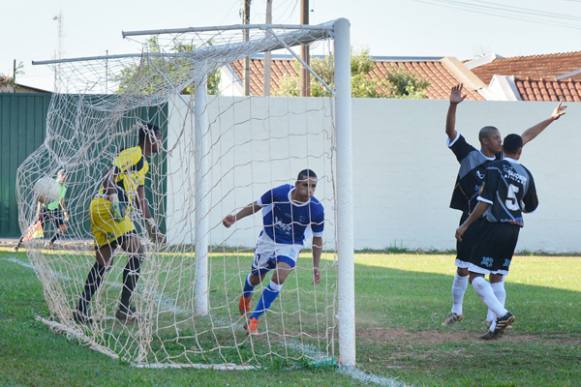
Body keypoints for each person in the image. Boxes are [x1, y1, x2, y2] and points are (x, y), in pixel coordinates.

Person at [442, 84, 565, 328]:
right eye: (496, 137)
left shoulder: (503, 160)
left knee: (492, 274)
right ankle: (457, 310)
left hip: (493, 223)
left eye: (501, 138)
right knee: (463, 268)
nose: (501, 140)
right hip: (471, 218)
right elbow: (450, 130)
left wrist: (550, 119)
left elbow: (525, 137)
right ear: (485, 141)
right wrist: (453, 105)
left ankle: (494, 320)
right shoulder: (468, 154)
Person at [73, 123, 166, 325]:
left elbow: (141, 200)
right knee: (138, 253)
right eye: (159, 137)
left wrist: (152, 227)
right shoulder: (133, 153)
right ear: (150, 138)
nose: (161, 142)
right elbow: (108, 175)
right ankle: (123, 309)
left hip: (100, 208)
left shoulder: (144, 164)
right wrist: (115, 202)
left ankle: (80, 310)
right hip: (109, 208)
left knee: (104, 262)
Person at [456, 134, 538, 339]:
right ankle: (495, 328)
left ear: (503, 149)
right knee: (498, 275)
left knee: (475, 274)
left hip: (495, 227)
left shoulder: (495, 168)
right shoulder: (526, 173)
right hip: (514, 229)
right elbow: (531, 205)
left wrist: (466, 225)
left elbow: (484, 202)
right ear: (520, 150)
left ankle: (502, 314)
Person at [222, 169, 324, 335]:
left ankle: (254, 320)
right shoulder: (280, 193)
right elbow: (256, 205)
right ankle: (245, 297)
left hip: (291, 245)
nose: (310, 190)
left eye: (313, 186)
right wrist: (235, 217)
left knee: (279, 276)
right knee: (256, 278)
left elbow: (317, 239)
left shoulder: (317, 209)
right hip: (268, 240)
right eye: (306, 185)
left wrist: (316, 266)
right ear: (297, 184)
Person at [15, 169, 69, 251]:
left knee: (63, 228)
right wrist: (38, 212)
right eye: (63, 176)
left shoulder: (63, 188)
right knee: (36, 229)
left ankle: (50, 243)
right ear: (59, 176)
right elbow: (41, 198)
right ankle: (19, 243)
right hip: (45, 209)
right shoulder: (51, 184)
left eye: (66, 177)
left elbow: (61, 201)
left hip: (55, 210)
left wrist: (65, 212)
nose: (65, 178)